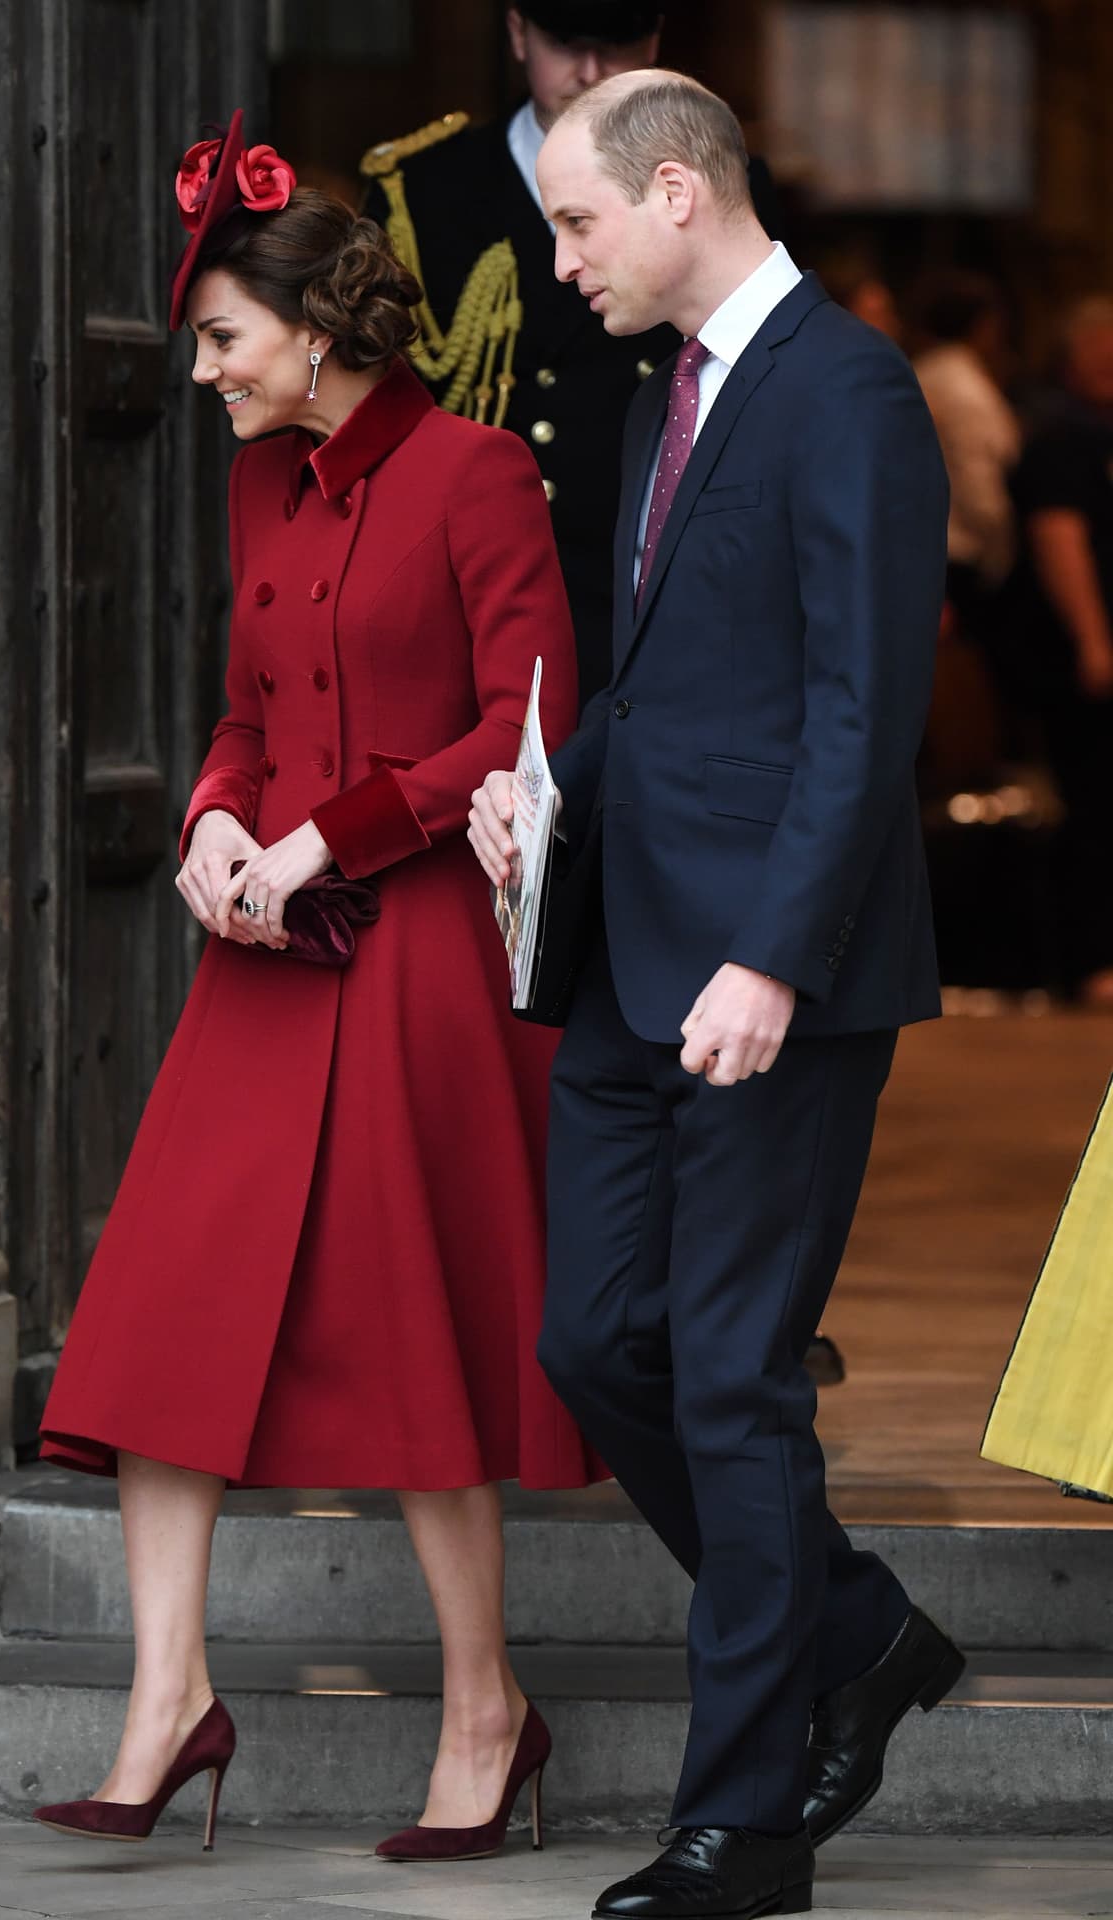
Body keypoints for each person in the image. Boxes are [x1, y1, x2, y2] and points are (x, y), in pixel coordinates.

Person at [34, 110, 601, 1859]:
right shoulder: (256, 478)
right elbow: (245, 713)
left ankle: (488, 1711)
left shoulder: (481, 473)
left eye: (219, 339)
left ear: (318, 329)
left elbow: (529, 729)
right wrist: (214, 821)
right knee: (152, 1319)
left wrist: (328, 841)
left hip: (416, 956)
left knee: (413, 1341)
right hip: (265, 959)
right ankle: (166, 1706)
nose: (199, 372)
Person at [470, 71, 963, 1918]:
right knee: (598, 1341)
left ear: (678, 194)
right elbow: (671, 691)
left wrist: (772, 952)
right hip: (626, 960)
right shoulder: (664, 392)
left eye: (580, 227)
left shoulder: (851, 394)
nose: (564, 261)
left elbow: (860, 714)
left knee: (736, 1379)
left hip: (772, 974)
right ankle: (858, 1630)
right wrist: (552, 786)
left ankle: (744, 1826)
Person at [361, 3, 783, 705]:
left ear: (655, 37)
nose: (590, 73)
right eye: (566, 42)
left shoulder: (722, 184)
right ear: (519, 31)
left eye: (617, 43)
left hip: (646, 597)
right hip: (475, 597)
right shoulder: (421, 188)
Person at [1007, 296, 1113, 1009]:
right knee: (1097, 807)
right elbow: (1058, 542)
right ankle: (1096, 961)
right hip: (1085, 659)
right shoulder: (1064, 438)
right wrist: (1093, 640)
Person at [911, 270, 1021, 634]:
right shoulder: (962, 387)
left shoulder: (922, 371)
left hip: (930, 543)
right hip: (960, 553)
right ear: (984, 324)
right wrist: (1005, 550)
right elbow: (978, 481)